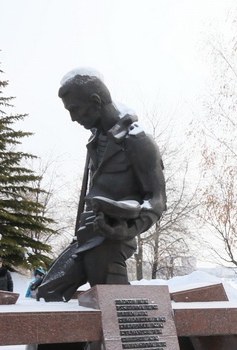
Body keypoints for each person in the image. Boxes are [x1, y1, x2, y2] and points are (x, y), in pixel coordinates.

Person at [36, 70, 165, 302]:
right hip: (87, 235)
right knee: (47, 292)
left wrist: (126, 230)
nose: (73, 118)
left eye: (74, 109)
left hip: (112, 239)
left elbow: (157, 201)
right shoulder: (97, 139)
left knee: (112, 307)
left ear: (95, 102)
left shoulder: (138, 142)